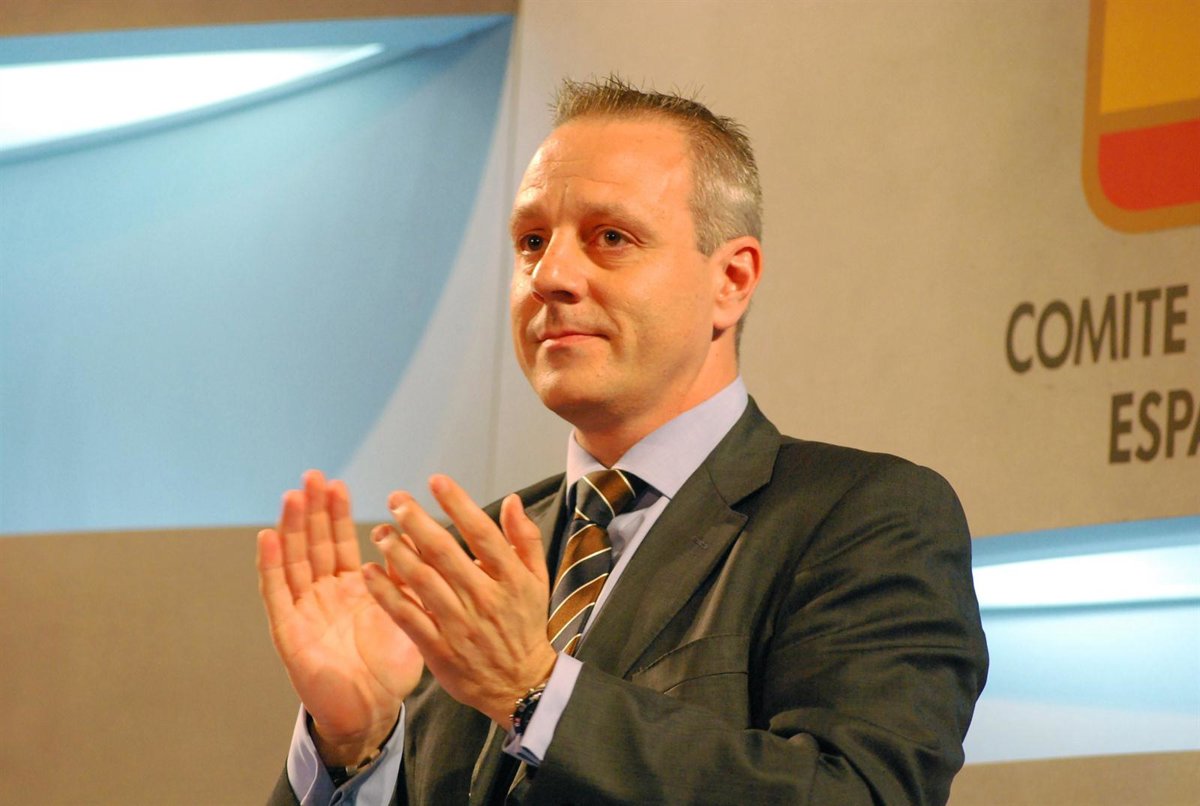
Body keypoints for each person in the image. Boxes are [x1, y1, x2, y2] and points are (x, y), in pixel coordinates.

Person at [258, 76, 988, 806]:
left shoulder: (862, 517)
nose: (550, 276)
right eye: (532, 242)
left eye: (611, 237)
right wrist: (353, 747)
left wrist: (536, 691)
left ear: (731, 281)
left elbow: (858, 793)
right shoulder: (470, 567)